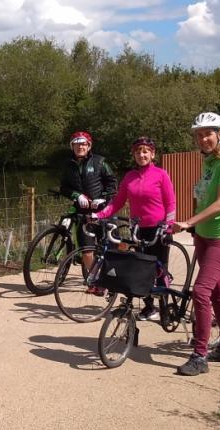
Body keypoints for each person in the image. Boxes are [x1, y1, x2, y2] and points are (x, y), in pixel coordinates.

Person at [170, 112, 220, 376]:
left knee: (201, 291)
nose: (203, 139)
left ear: (219, 134)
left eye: (208, 134)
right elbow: (202, 196)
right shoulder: (210, 162)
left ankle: (199, 355)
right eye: (199, 135)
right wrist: (195, 227)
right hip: (204, 234)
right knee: (216, 292)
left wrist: (189, 221)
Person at [93, 136, 177, 321]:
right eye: (138, 152)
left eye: (146, 151)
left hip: (158, 229)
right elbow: (118, 201)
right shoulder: (130, 176)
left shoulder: (161, 175)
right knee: (140, 269)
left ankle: (165, 310)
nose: (142, 155)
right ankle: (149, 308)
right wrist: (99, 215)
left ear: (152, 154)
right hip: (137, 229)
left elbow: (170, 202)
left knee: (159, 269)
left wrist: (169, 227)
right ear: (134, 155)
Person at [59, 131, 118, 296]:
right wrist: (76, 196)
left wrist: (103, 198)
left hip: (103, 211)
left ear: (89, 146)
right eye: (77, 144)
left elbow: (112, 183)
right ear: (72, 146)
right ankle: (95, 280)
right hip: (83, 213)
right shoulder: (68, 165)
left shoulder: (100, 162)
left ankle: (112, 280)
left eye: (83, 144)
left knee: (111, 247)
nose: (80, 147)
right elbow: (64, 188)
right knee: (86, 249)